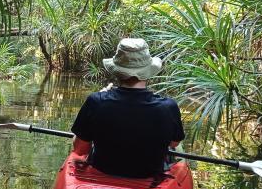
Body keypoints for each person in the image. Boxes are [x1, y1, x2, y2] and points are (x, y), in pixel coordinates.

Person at [71, 38, 185, 178]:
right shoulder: (168, 107)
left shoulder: (96, 101)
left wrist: (101, 98)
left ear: (117, 70)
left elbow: (80, 150)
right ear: (148, 71)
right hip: (148, 177)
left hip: (103, 172)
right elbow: (174, 142)